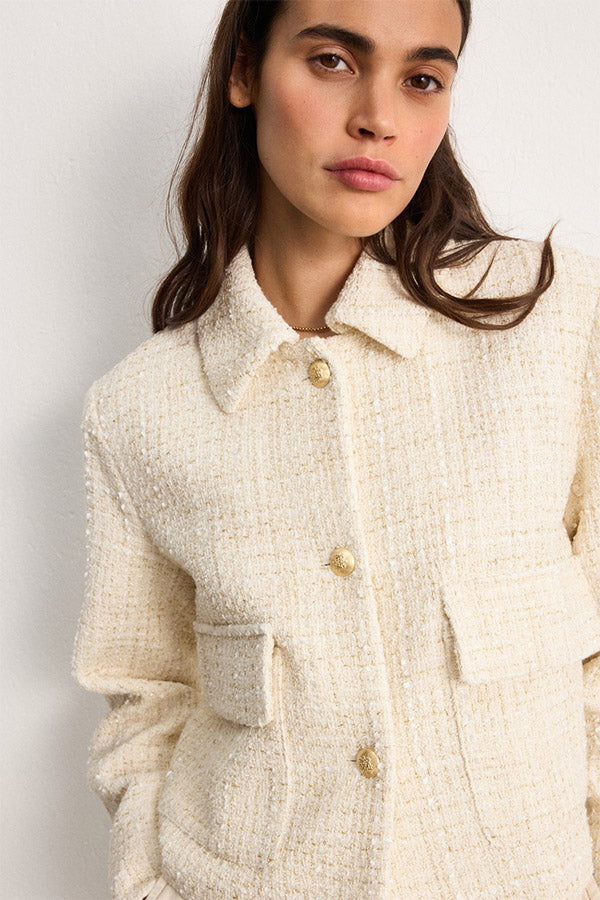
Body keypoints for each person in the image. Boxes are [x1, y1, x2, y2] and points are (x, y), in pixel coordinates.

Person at [71, 1, 600, 898]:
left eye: (422, 79)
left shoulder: (552, 321)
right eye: (332, 61)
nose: (379, 118)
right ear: (245, 71)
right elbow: (145, 700)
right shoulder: (140, 410)